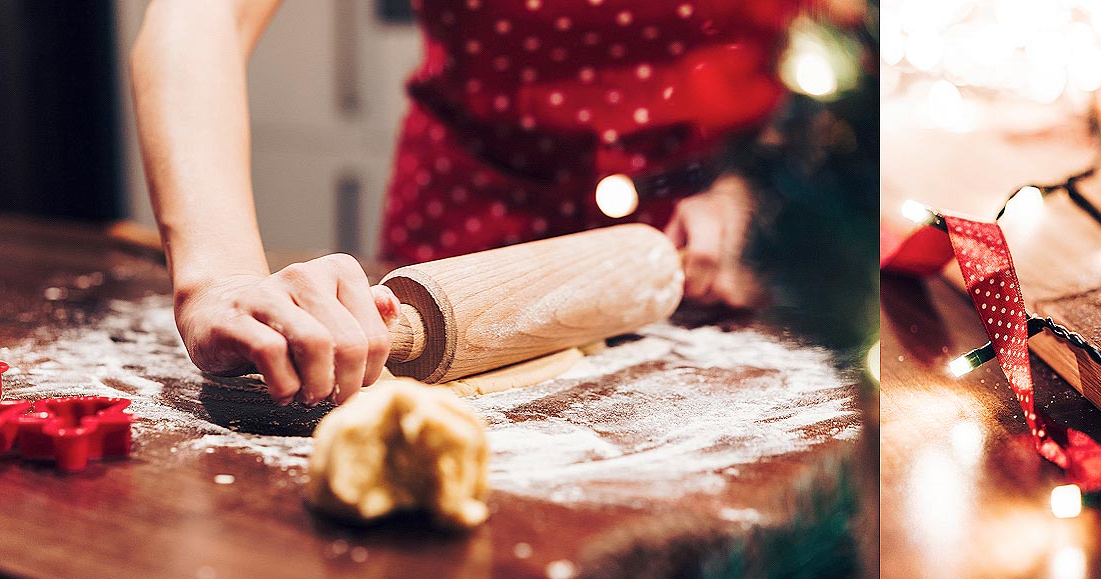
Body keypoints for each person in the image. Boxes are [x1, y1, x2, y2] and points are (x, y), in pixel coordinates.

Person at [132, 0, 793, 404]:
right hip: (463, 240)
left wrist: (763, 188)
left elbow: (859, 51)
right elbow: (204, 10)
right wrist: (218, 276)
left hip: (717, 257)